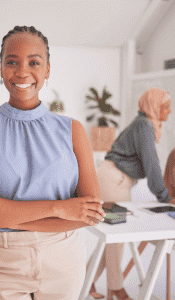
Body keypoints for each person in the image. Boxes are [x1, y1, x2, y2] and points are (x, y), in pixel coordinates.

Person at [0, 25, 106, 300]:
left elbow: (90, 212)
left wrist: (2, 212)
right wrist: (61, 208)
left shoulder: (72, 130)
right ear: (1, 69)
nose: (22, 71)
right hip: (0, 262)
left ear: (47, 69)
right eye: (11, 62)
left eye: (34, 62)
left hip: (64, 261)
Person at [87, 88, 175, 300]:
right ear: (153, 106)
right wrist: (166, 197)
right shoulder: (144, 126)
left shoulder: (144, 124)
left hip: (114, 180)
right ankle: (116, 288)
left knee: (113, 237)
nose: (170, 111)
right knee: (118, 235)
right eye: (166, 106)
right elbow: (152, 165)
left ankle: (87, 281)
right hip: (113, 181)